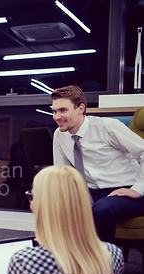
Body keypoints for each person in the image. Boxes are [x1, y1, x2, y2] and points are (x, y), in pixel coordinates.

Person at [51, 85, 144, 241]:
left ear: (81, 108)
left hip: (127, 189)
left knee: (102, 208)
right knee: (54, 205)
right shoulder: (60, 135)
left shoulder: (107, 127)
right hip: (92, 190)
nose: (56, 116)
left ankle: (101, 262)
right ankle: (66, 260)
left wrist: (138, 189)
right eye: (54, 111)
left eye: (63, 110)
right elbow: (63, 173)